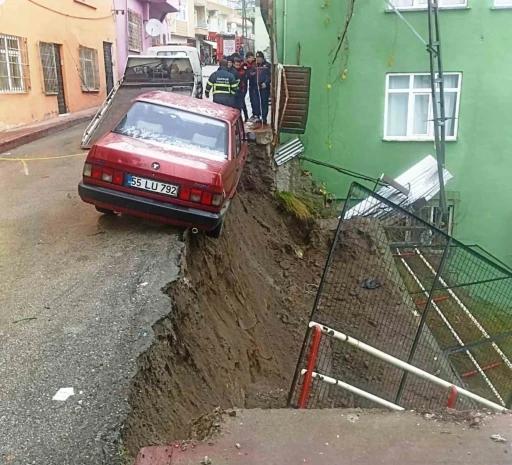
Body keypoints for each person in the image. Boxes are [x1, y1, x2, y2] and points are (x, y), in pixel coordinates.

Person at [247, 51, 271, 124]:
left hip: (264, 88)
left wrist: (266, 83)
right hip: (255, 87)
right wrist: (251, 74)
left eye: (259, 58)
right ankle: (257, 116)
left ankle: (264, 118)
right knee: (256, 102)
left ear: (262, 58)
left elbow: (271, 76)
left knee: (264, 103)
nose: (257, 59)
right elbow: (249, 75)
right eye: (256, 58)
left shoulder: (267, 66)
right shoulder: (254, 66)